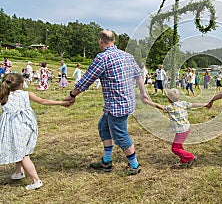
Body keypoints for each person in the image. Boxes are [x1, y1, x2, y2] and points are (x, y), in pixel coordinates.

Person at [62, 30, 150, 175]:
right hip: (120, 103)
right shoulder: (127, 56)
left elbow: (87, 79)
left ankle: (134, 165)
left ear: (100, 41)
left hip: (117, 106)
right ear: (113, 40)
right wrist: (143, 93)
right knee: (103, 127)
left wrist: (72, 95)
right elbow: (138, 75)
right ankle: (107, 161)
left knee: (120, 135)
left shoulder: (103, 58)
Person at [0, 73, 69, 190]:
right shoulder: (26, 94)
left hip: (15, 128)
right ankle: (19, 172)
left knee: (22, 154)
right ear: (21, 84)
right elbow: (43, 101)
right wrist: (62, 103)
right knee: (19, 148)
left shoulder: (3, 95)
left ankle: (36, 180)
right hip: (27, 126)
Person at [148, 88, 207, 168]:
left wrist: (148, 102)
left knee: (175, 148)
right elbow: (194, 105)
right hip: (186, 128)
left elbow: (158, 106)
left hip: (181, 131)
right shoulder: (183, 103)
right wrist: (205, 104)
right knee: (178, 146)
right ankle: (184, 160)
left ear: (169, 99)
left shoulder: (171, 107)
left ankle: (190, 157)